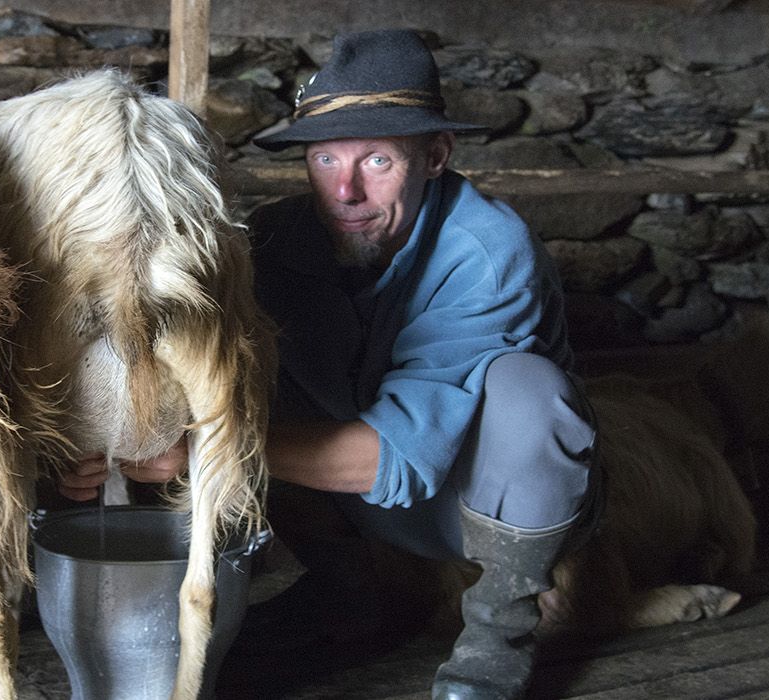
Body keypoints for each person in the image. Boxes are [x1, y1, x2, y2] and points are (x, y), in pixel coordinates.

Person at [59, 28, 598, 700]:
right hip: (350, 492)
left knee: (530, 393)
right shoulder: (280, 239)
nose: (344, 190)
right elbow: (189, 378)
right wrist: (110, 440)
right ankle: (348, 594)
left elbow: (396, 457)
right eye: (323, 160)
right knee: (244, 368)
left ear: (435, 155)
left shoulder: (488, 252)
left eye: (376, 161)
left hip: (470, 504)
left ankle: (497, 638)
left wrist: (199, 452)